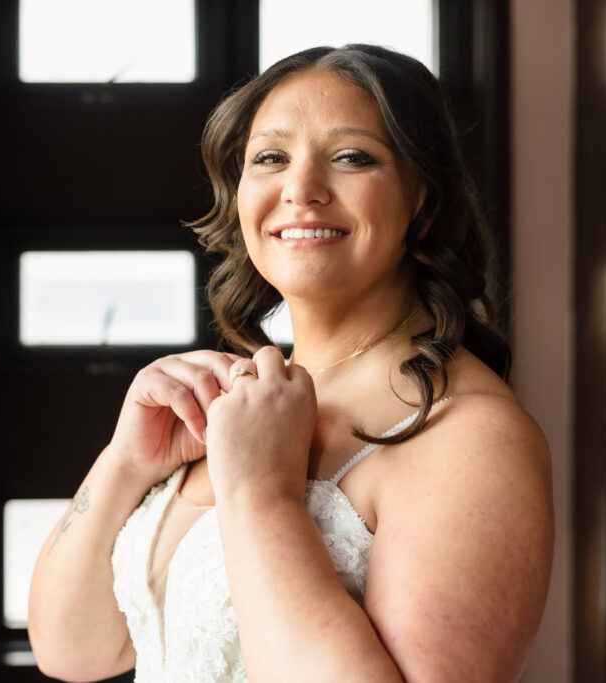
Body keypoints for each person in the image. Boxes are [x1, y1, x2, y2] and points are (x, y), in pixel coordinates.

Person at [28, 44, 553, 683]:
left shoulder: (470, 437)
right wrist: (126, 462)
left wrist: (261, 493)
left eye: (352, 157)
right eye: (270, 158)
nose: (300, 190)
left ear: (424, 201)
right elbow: (73, 651)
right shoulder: (244, 401)